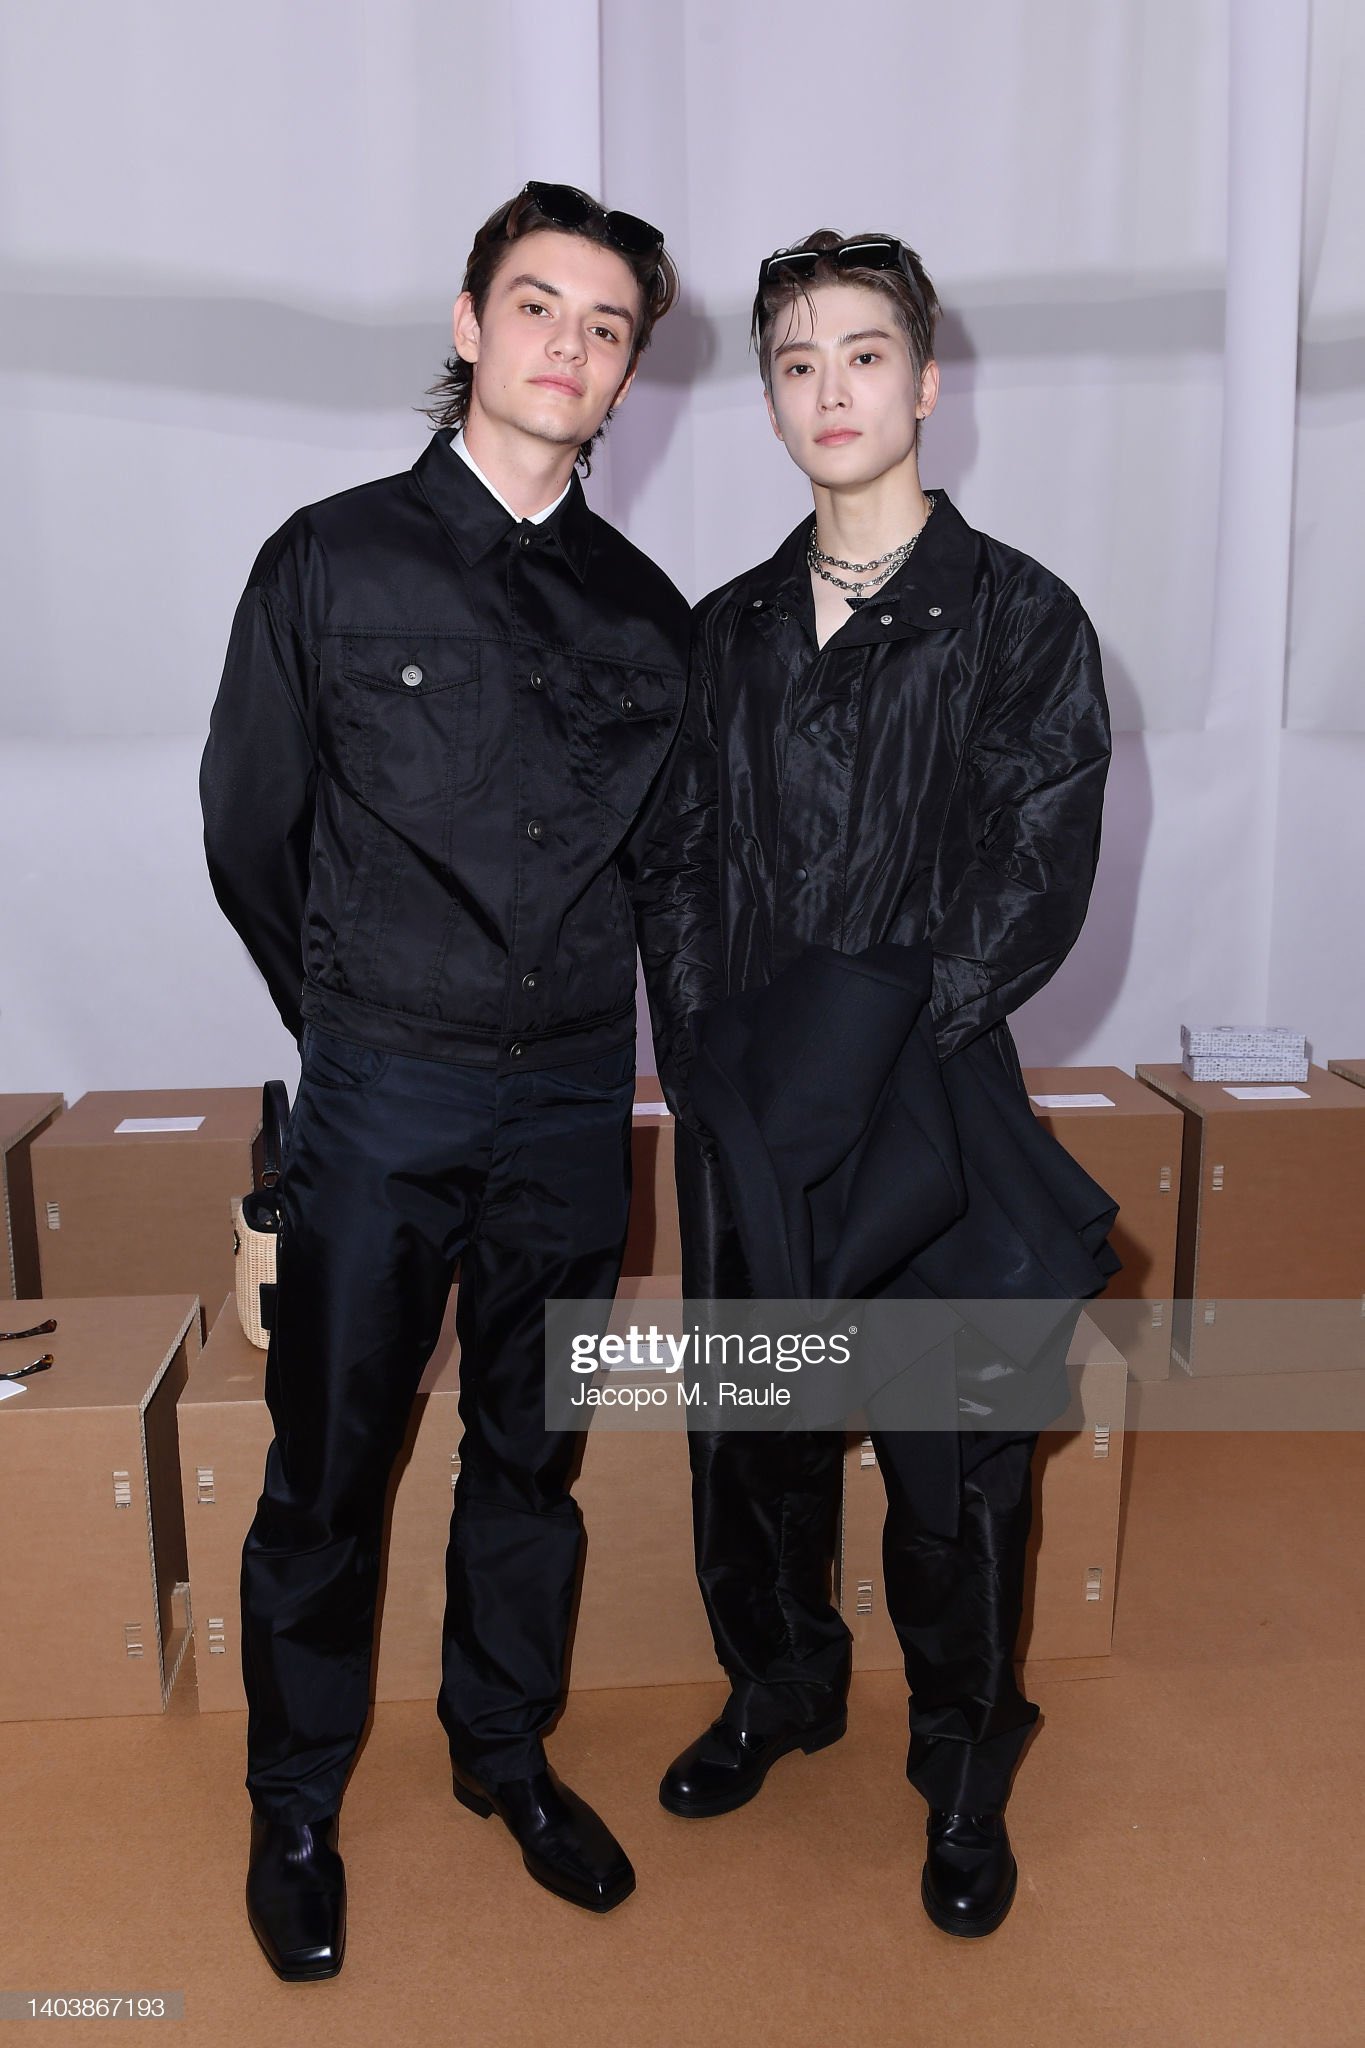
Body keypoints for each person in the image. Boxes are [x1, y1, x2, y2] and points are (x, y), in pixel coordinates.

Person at [200, 181, 690, 1980]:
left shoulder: (646, 613)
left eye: (606, 326)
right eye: (538, 306)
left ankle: (503, 1751)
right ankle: (295, 1801)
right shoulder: (328, 561)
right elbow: (249, 828)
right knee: (328, 1465)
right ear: (471, 324)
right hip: (382, 1096)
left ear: (628, 371)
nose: (570, 345)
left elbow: (665, 877)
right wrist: (348, 1021)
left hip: (570, 1106)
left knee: (529, 1460)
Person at [646, 230, 1115, 1938]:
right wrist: (713, 1067)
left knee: (953, 1460)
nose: (829, 388)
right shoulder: (723, 634)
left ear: (923, 383)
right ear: (771, 401)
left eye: (862, 355)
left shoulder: (1019, 618)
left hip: (925, 1109)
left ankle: (962, 1753)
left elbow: (1031, 873)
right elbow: (675, 871)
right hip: (749, 1114)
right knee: (751, 1438)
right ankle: (779, 1688)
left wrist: (866, 1047)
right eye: (796, 362)